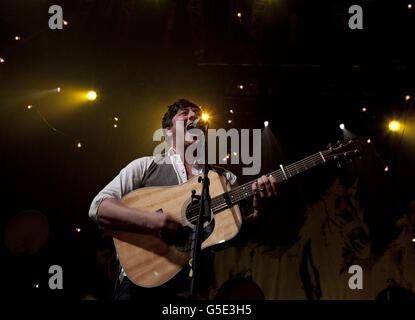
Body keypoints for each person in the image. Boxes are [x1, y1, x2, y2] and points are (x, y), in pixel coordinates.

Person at [88, 99, 278, 300]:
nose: (192, 116)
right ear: (168, 131)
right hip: (138, 287)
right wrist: (153, 221)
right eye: (184, 114)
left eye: (196, 113)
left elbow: (231, 237)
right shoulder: (144, 166)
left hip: (192, 292)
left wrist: (259, 214)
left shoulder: (224, 179)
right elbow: (98, 207)